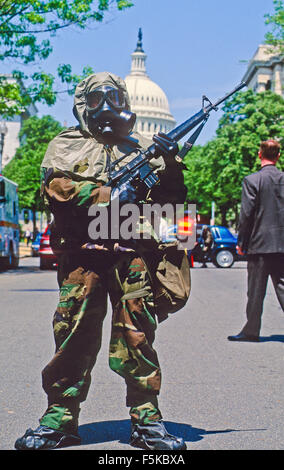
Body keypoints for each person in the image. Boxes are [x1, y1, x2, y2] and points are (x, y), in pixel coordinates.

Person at [15, 72, 188, 450]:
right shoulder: (67, 144)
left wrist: (171, 164)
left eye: (113, 97)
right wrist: (107, 193)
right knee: (73, 334)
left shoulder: (142, 147)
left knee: (138, 337)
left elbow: (172, 204)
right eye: (96, 99)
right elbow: (57, 189)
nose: (105, 106)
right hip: (83, 257)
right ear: (82, 104)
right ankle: (60, 417)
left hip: (132, 256)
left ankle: (146, 419)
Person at [228, 139, 284, 342]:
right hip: (282, 245)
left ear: (260, 154)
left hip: (259, 245)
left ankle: (251, 331)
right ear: (278, 156)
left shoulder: (252, 180)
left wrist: (241, 242)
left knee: (255, 291)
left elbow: (247, 215)